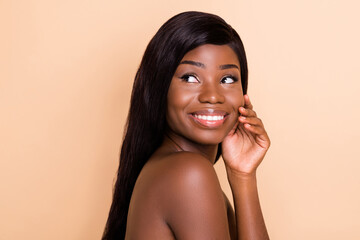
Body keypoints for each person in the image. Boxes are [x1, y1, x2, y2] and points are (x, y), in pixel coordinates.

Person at [102, 11, 270, 240]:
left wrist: (243, 176)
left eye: (227, 79)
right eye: (190, 78)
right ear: (160, 88)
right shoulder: (189, 174)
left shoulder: (174, 169)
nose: (213, 96)